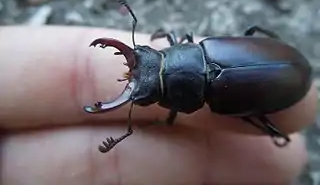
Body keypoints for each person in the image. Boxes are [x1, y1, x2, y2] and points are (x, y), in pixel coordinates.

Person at [0, 25, 317, 184]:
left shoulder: (214, 100)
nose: (141, 69)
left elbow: (170, 118)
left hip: (284, 79)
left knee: (253, 119)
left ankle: (274, 130)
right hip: (279, 63)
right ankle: (275, 130)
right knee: (253, 38)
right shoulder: (208, 50)